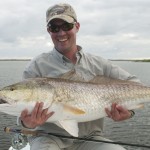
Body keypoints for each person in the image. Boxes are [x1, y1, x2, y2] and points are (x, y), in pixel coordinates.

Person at [18, 3, 140, 150]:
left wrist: (128, 113)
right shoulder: (36, 66)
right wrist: (28, 123)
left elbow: (135, 85)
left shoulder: (99, 64)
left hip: (91, 139)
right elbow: (20, 112)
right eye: (54, 28)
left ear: (77, 26)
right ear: (49, 31)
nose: (61, 33)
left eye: (67, 26)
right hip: (48, 138)